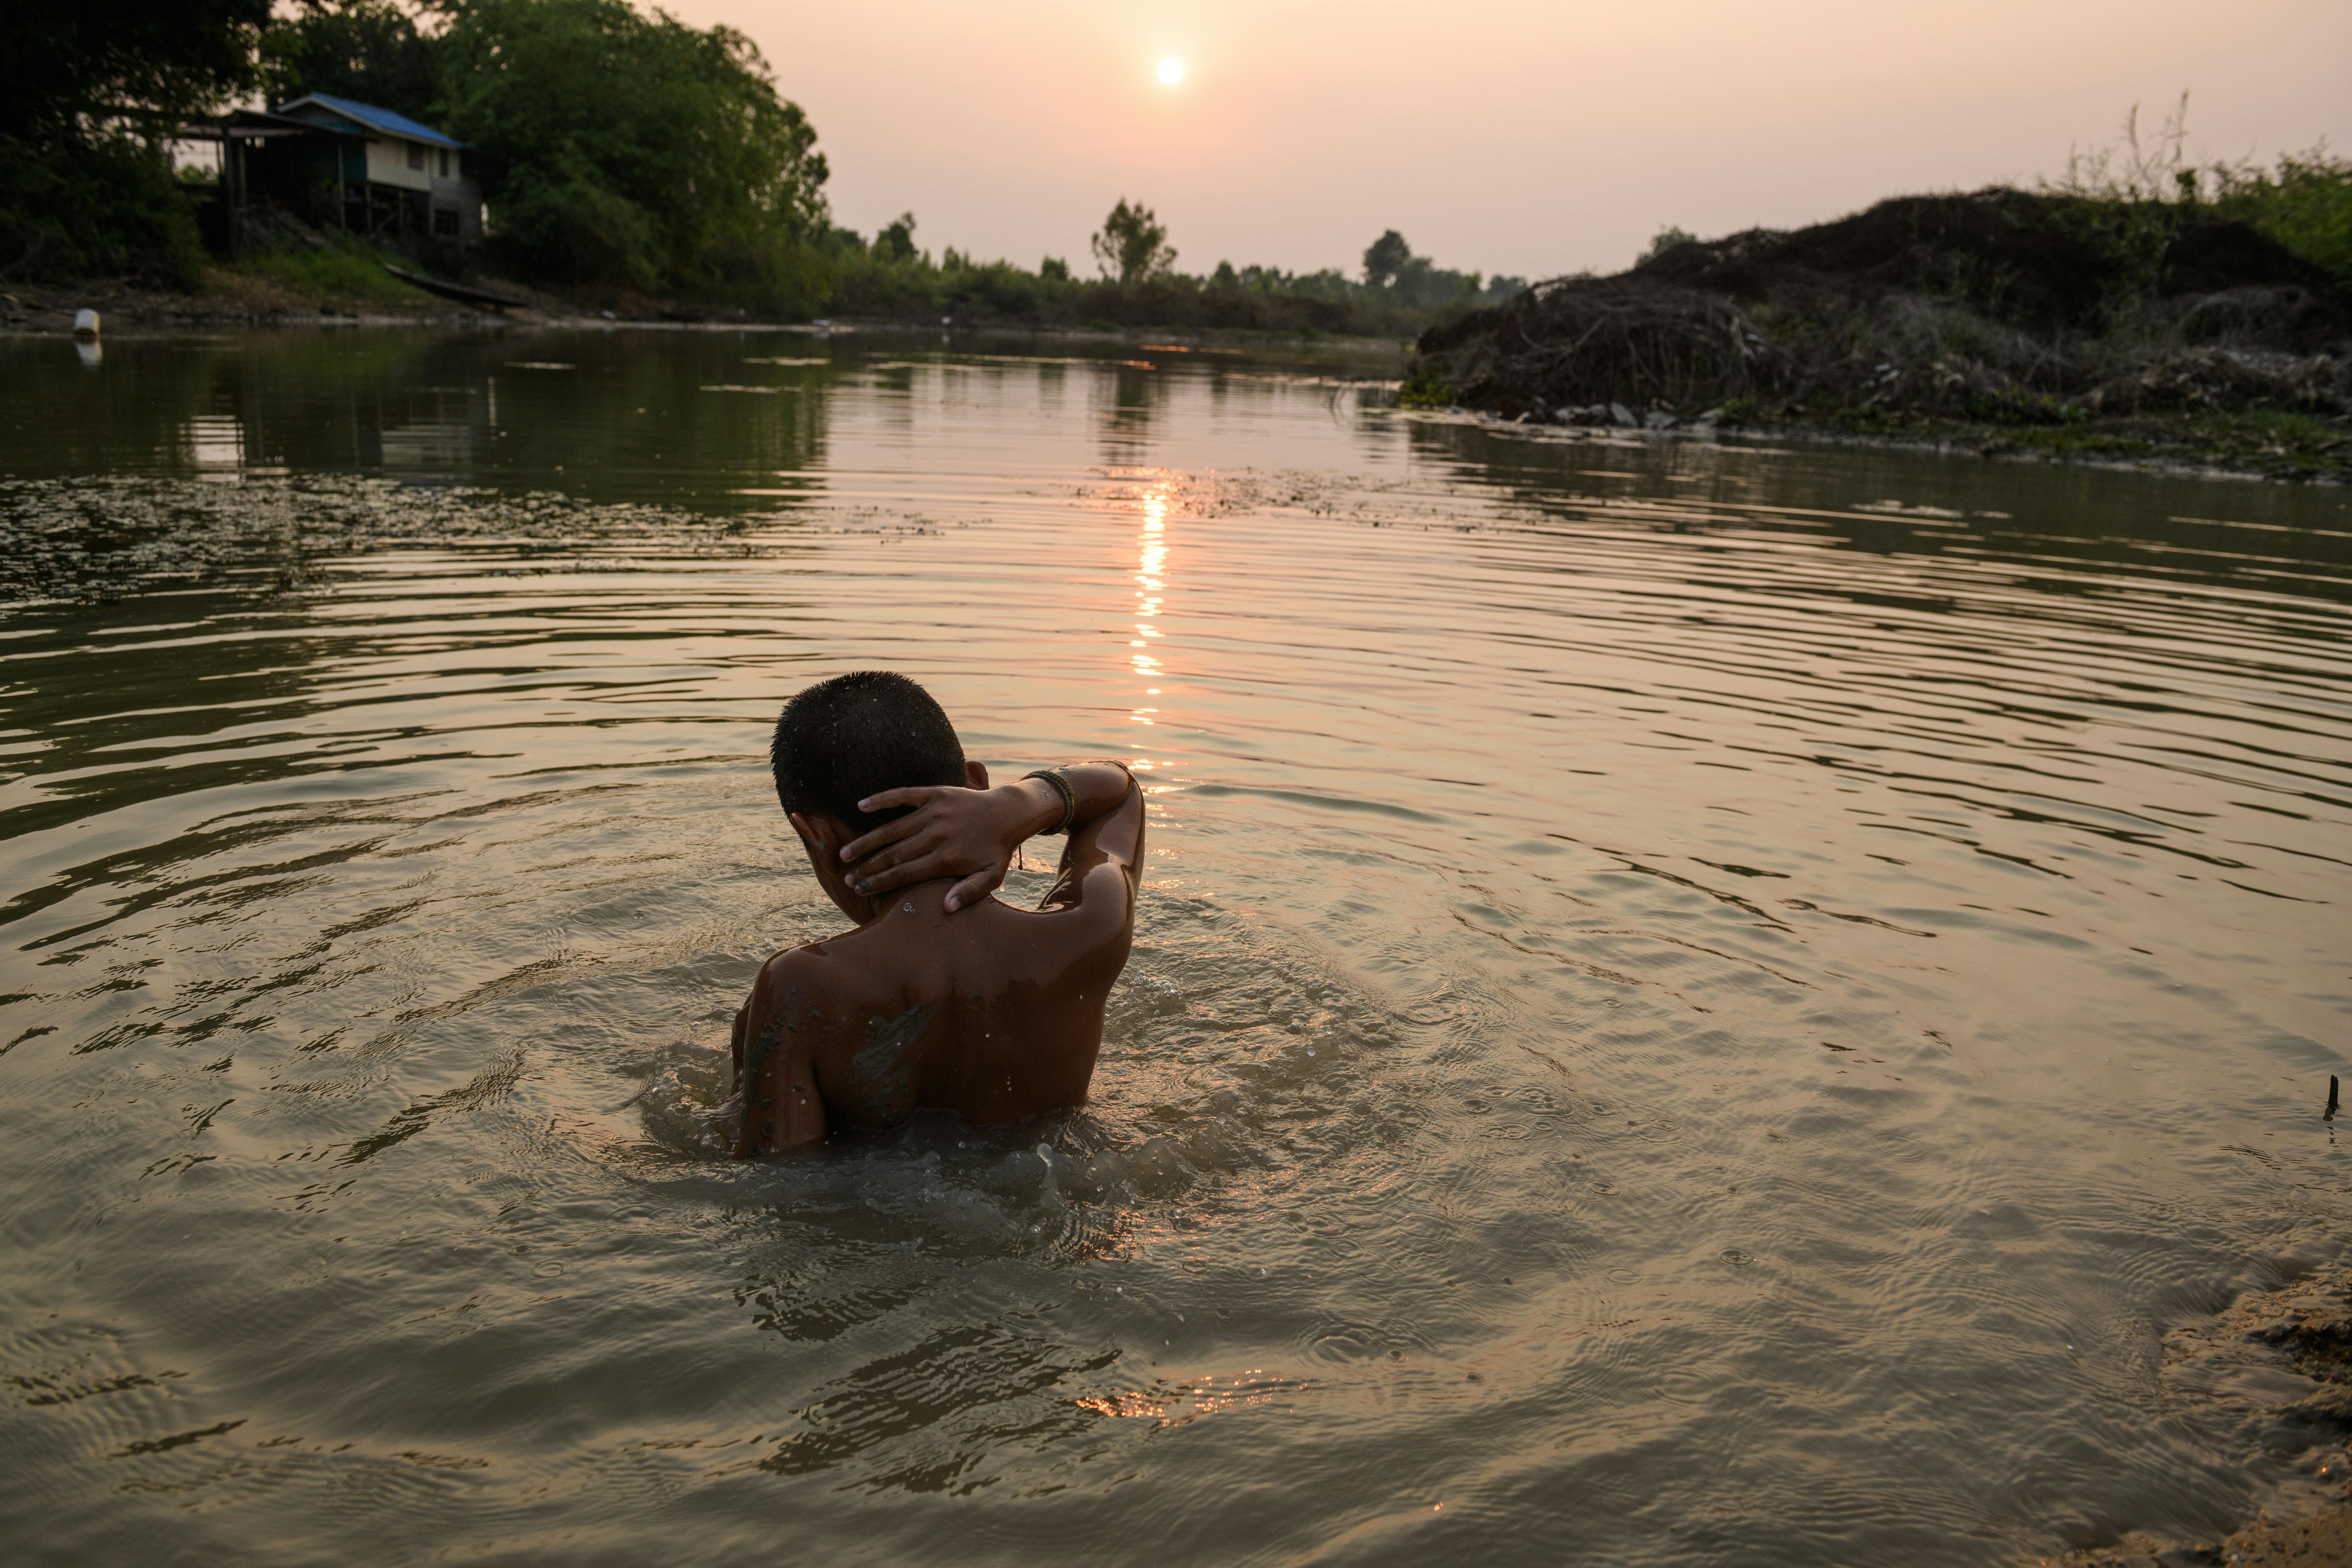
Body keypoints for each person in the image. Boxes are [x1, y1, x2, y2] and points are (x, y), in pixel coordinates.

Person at [730, 671, 1145, 1157]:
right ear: (977, 783)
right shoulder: (1087, 930)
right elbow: (1122, 793)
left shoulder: (802, 987)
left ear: (817, 837)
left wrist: (744, 1072)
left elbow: (775, 1182)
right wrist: (1020, 804)